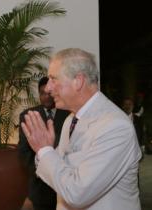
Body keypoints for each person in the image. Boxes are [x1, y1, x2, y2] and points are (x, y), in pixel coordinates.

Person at [21, 48, 142, 210]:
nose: (48, 88)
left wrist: (44, 150)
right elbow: (62, 169)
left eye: (53, 79)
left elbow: (77, 193)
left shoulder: (116, 127)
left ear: (78, 81)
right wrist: (45, 149)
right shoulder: (71, 119)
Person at [18, 76, 69, 210]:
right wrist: (40, 172)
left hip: (64, 183)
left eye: (49, 93)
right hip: (39, 186)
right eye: (42, 93)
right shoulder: (27, 116)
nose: (46, 97)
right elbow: (23, 151)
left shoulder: (69, 115)